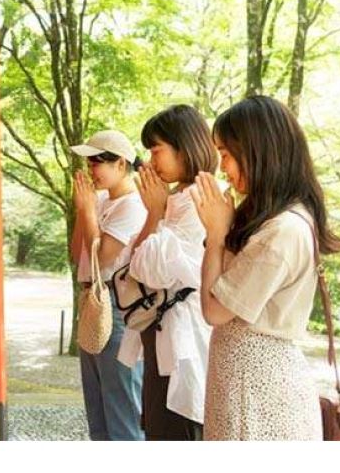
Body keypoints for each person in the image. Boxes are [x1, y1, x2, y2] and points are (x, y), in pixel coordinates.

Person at [190, 95, 340, 441]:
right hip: (246, 383)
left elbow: (214, 310)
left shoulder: (282, 230)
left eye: (226, 155)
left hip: (257, 389)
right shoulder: (274, 219)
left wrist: (216, 235)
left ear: (258, 152)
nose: (222, 167)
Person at [122, 105, 215, 440]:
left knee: (177, 424)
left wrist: (156, 214)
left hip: (184, 337)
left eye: (156, 150)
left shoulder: (199, 198)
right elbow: (136, 262)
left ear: (184, 146)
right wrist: (155, 214)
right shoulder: (172, 197)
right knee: (160, 424)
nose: (151, 160)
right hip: (161, 330)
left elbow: (152, 272)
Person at [71, 130, 146, 441]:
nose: (91, 170)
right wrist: (83, 210)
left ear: (120, 163)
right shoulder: (99, 199)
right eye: (89, 163)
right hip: (92, 301)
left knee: (122, 408)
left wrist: (89, 212)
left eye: (97, 163)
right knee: (97, 407)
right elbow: (78, 254)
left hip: (117, 305)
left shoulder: (133, 205)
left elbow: (101, 259)